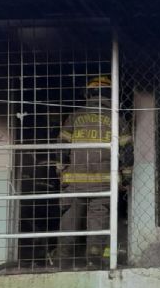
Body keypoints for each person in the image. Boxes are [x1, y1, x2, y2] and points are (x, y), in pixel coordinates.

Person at [55, 75, 131, 269]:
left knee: (69, 223)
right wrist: (127, 180)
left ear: (89, 94)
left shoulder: (75, 116)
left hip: (75, 183)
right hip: (104, 184)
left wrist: (62, 171)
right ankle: (94, 263)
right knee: (98, 224)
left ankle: (62, 263)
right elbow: (127, 153)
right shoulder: (117, 120)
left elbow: (61, 148)